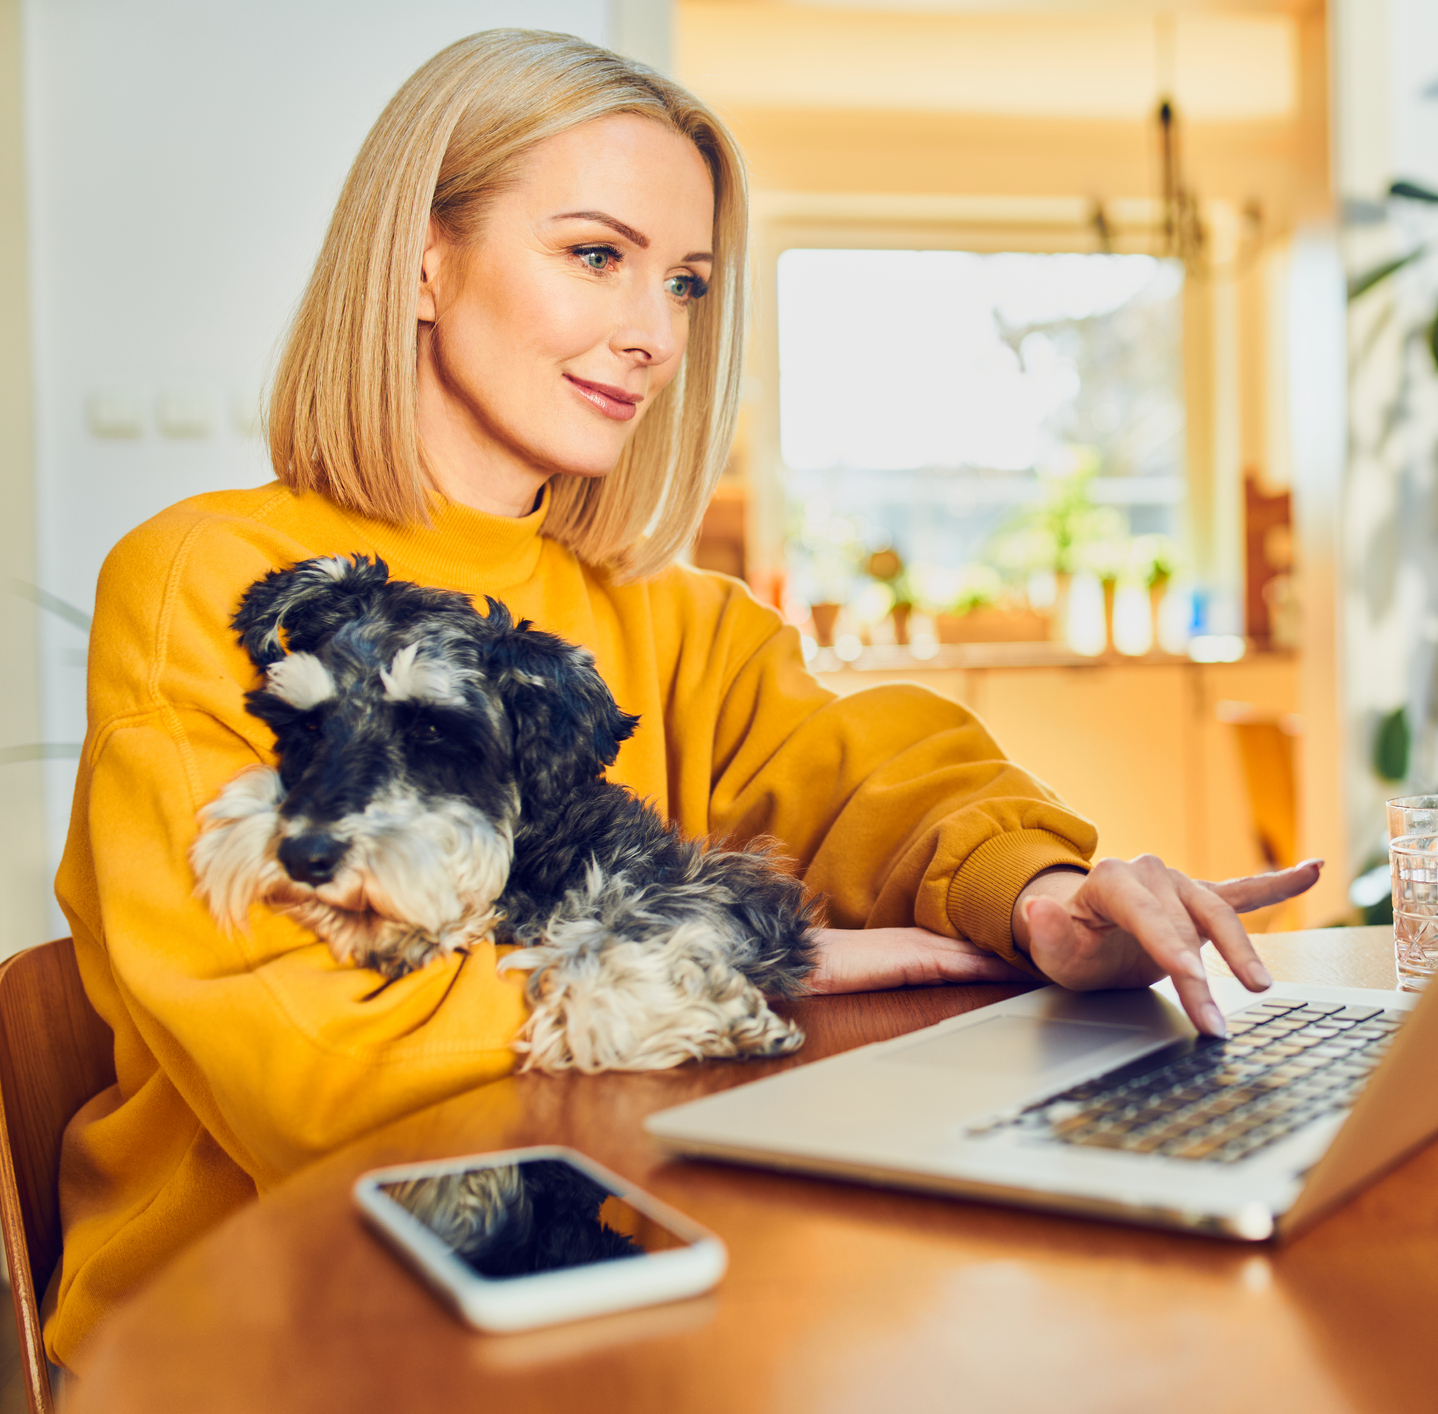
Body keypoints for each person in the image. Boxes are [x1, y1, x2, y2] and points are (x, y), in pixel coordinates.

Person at [44, 29, 1318, 1367]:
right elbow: (322, 1078)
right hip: (250, 1334)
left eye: (689, 282)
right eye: (596, 254)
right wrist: (733, 958)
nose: (653, 335)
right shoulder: (213, 584)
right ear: (424, 262)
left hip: (588, 1284)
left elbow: (874, 765)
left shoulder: (663, 610)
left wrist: (1045, 897)